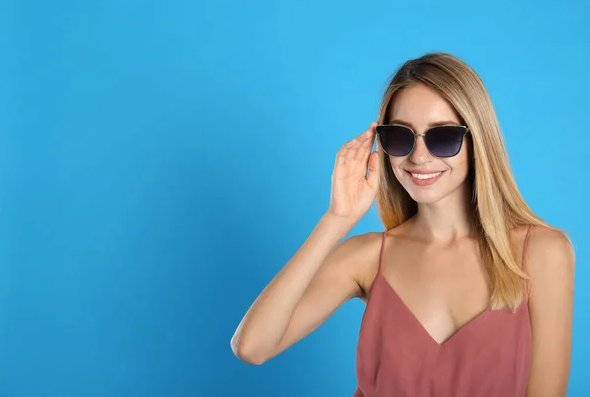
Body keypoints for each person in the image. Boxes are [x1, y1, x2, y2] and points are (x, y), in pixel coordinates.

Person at [230, 52, 575, 396]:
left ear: (477, 141)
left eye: (442, 137)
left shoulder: (541, 253)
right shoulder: (367, 258)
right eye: (400, 137)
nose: (418, 157)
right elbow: (252, 347)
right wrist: (338, 218)